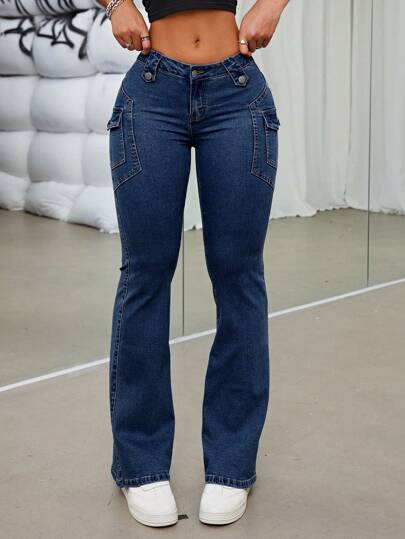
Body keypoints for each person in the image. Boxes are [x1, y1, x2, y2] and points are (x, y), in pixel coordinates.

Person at [99, 0, 288, 528]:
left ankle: (231, 464)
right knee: (145, 274)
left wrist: (273, 5)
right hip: (151, 92)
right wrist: (114, 4)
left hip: (237, 93)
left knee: (239, 276)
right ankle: (140, 465)